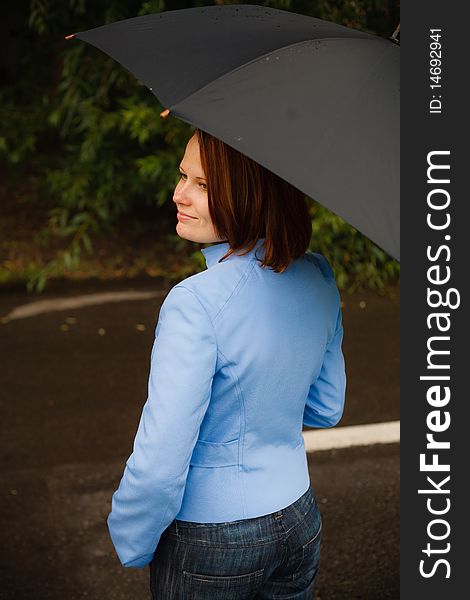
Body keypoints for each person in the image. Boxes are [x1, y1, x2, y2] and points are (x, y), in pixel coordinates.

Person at [107, 129, 346, 599]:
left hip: (211, 537)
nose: (179, 194)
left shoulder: (195, 303)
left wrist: (131, 538)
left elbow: (161, 458)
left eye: (204, 185)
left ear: (250, 194)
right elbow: (326, 408)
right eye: (183, 176)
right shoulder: (318, 275)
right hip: (298, 516)